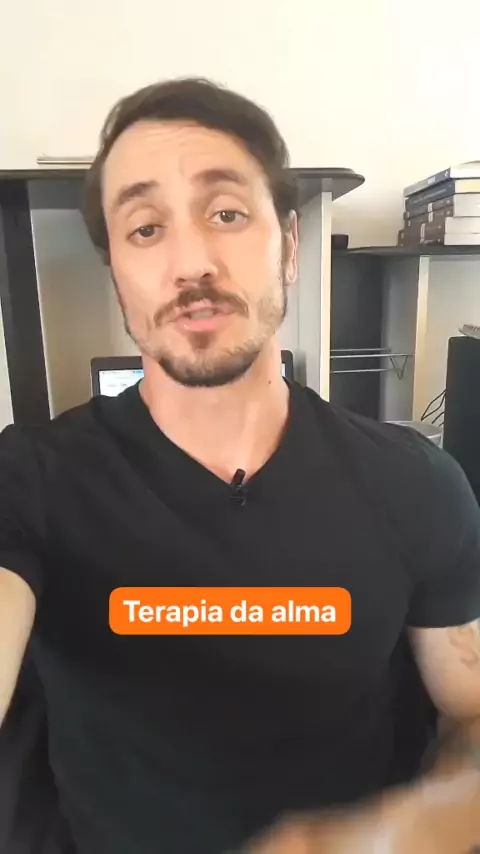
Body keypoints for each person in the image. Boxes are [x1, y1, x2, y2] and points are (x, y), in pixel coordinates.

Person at [1, 76, 480, 854]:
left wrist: (406, 832)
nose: (191, 261)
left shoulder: (416, 484)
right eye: (146, 229)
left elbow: (470, 710)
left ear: (289, 245)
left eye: (226, 213)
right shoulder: (28, 480)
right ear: (115, 272)